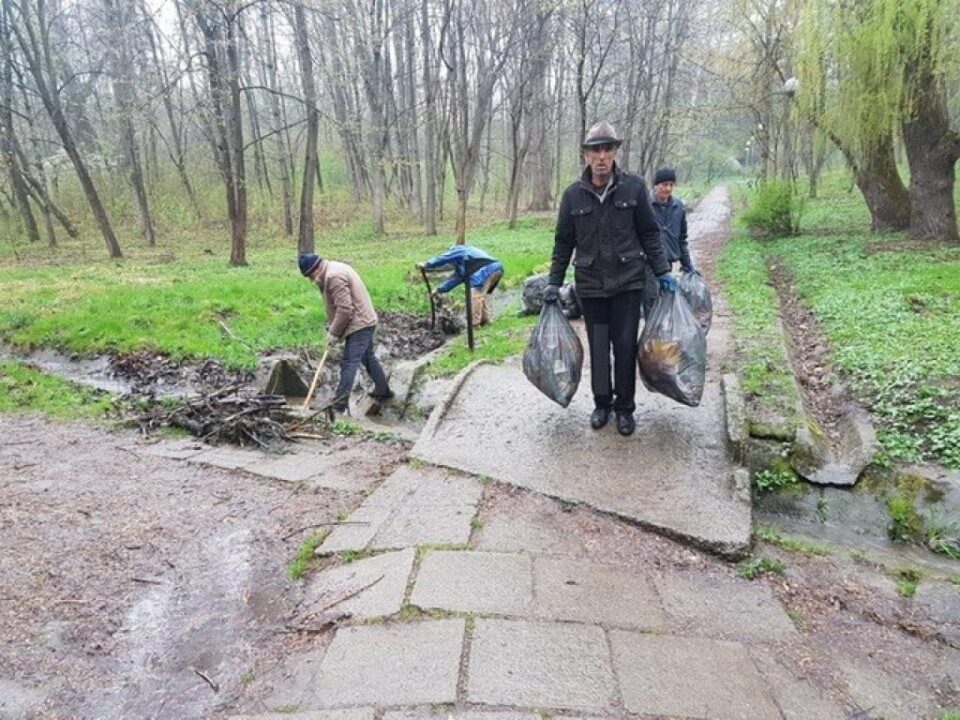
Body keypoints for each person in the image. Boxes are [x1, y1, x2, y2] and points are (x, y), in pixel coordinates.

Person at [545, 122, 678, 437]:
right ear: (586, 154)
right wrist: (553, 281)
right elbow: (563, 242)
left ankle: (625, 409)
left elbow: (649, 233)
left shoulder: (633, 188)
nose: (602, 156)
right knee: (599, 347)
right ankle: (601, 403)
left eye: (608, 149)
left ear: (615, 152)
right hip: (591, 288)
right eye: (596, 150)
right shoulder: (573, 196)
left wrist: (662, 272)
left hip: (628, 285)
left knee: (625, 348)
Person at [299, 253, 393, 413]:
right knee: (367, 357)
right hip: (364, 320)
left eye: (310, 276)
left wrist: (334, 332)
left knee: (349, 363)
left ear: (315, 269)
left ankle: (339, 405)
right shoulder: (333, 269)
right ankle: (383, 390)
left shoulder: (333, 276)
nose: (311, 280)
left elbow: (345, 310)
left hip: (360, 323)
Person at [644, 167, 695, 317]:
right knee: (652, 303)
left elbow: (681, 238)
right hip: (648, 264)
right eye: (664, 184)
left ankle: (665, 336)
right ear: (655, 185)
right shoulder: (645, 205)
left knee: (667, 301)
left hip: (667, 263)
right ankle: (652, 337)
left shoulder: (678, 206)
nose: (668, 188)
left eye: (671, 185)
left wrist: (687, 264)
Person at [417, 245, 504, 326]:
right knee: (481, 295)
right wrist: (439, 290)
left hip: (486, 270)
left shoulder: (458, 250)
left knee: (475, 296)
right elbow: (454, 280)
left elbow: (444, 258)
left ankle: (474, 325)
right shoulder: (463, 266)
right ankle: (485, 321)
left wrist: (427, 264)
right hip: (496, 269)